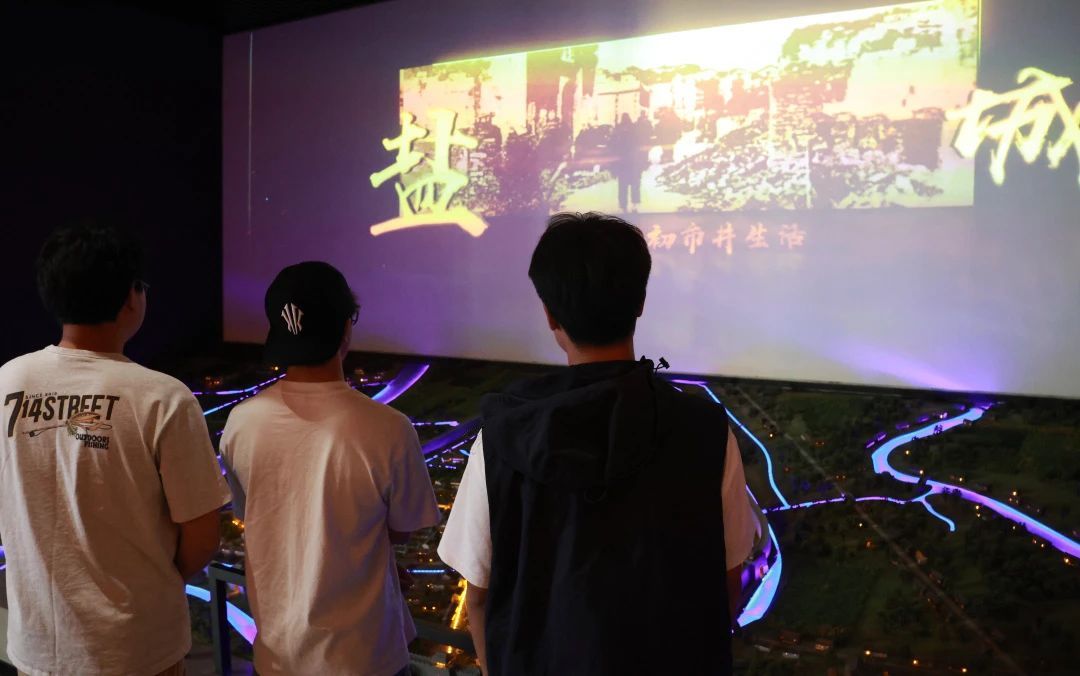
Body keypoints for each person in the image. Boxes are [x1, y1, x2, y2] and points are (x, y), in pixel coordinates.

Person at [438, 212, 759, 675]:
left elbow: (480, 597)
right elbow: (727, 577)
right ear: (640, 302)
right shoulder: (705, 429)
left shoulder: (503, 436)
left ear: (550, 314)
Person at [0, 223, 229, 675]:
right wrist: (147, 586)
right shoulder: (162, 398)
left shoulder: (7, 382)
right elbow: (202, 536)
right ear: (130, 298)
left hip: (38, 648)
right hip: (137, 649)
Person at [220, 261, 440, 676]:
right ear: (346, 327)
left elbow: (255, 515)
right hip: (366, 658)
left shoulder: (241, 422)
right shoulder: (389, 428)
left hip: (278, 657)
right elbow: (402, 529)